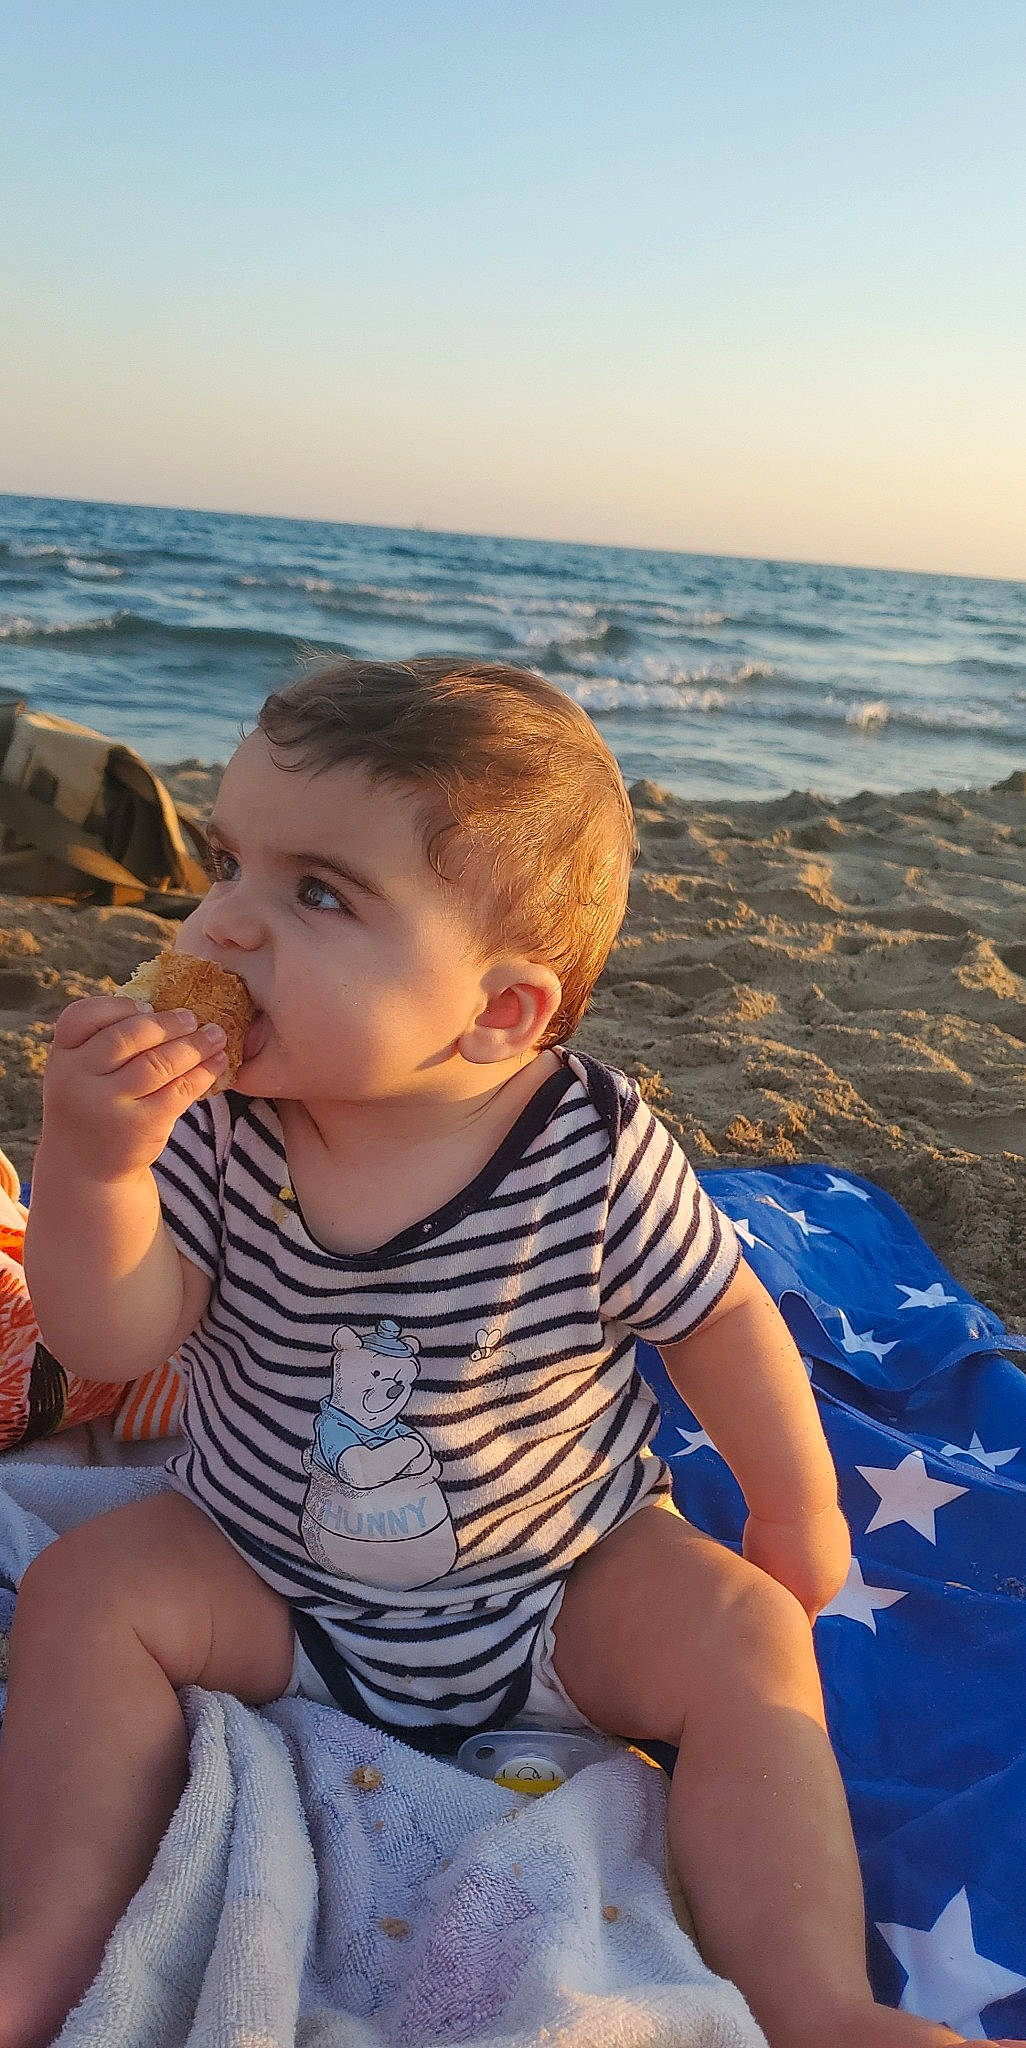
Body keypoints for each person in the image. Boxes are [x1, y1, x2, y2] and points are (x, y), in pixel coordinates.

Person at [0, 659, 1012, 2048]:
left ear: (496, 1012)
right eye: (229, 861)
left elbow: (716, 1317)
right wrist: (94, 1161)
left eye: (315, 893)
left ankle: (809, 2000)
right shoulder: (219, 1127)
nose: (220, 926)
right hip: (262, 1577)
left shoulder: (584, 1152)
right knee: (81, 1594)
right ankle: (45, 1951)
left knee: (747, 1641)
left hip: (553, 1592)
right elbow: (113, 1331)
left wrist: (793, 1508)